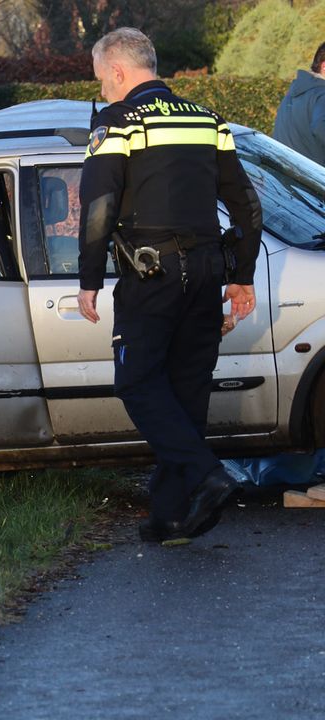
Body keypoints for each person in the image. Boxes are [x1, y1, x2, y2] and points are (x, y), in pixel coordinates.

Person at [76, 28, 261, 542]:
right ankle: (174, 516)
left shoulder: (116, 123)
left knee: (137, 381)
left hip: (152, 273)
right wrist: (241, 276)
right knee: (185, 390)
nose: (103, 90)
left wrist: (89, 279)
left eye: (101, 79)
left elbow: (97, 209)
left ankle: (206, 475)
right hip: (207, 272)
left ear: (117, 71)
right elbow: (246, 204)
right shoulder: (208, 121)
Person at [273, 42, 325, 166]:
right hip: (312, 179)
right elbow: (320, 127)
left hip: (285, 175)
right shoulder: (321, 94)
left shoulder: (294, 93)